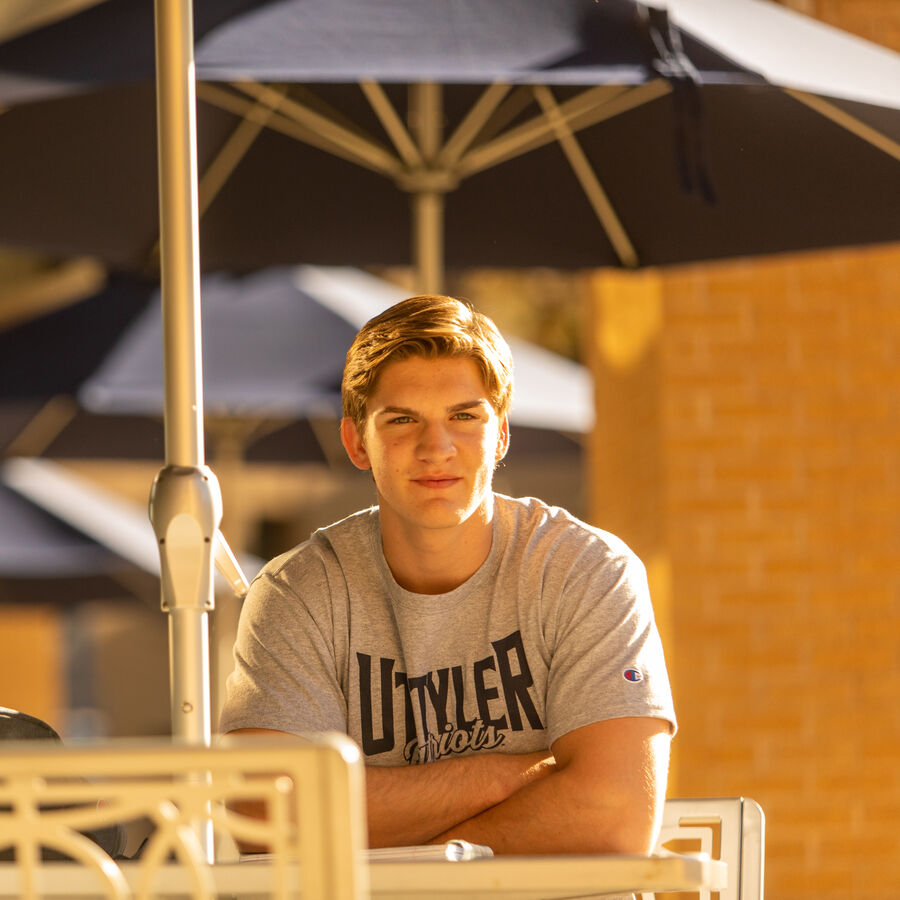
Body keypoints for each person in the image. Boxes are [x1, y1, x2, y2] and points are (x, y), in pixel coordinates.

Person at [219, 294, 676, 855]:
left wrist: (402, 852)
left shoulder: (586, 571)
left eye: (465, 416)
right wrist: (504, 776)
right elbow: (267, 818)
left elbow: (615, 816)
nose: (436, 448)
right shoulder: (300, 593)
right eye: (403, 420)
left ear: (501, 435)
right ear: (357, 443)